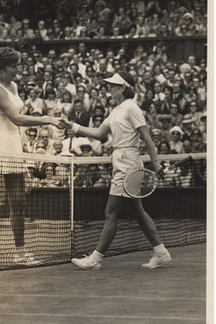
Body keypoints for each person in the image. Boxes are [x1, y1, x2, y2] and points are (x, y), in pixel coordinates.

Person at [63, 71, 171, 270]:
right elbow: (98, 133)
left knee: (110, 211)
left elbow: (147, 138)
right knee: (137, 211)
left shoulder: (131, 108)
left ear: (123, 88)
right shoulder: (117, 110)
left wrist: (155, 164)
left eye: (114, 85)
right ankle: (161, 252)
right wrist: (74, 127)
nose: (109, 88)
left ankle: (95, 258)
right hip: (120, 161)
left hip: (128, 164)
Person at [0, 47, 64, 268]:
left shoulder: (12, 86)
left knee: (19, 202)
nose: (17, 70)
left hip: (12, 146)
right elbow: (17, 118)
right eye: (13, 66)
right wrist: (47, 119)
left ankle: (20, 253)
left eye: (17, 65)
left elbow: (16, 124)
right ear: (2, 68)